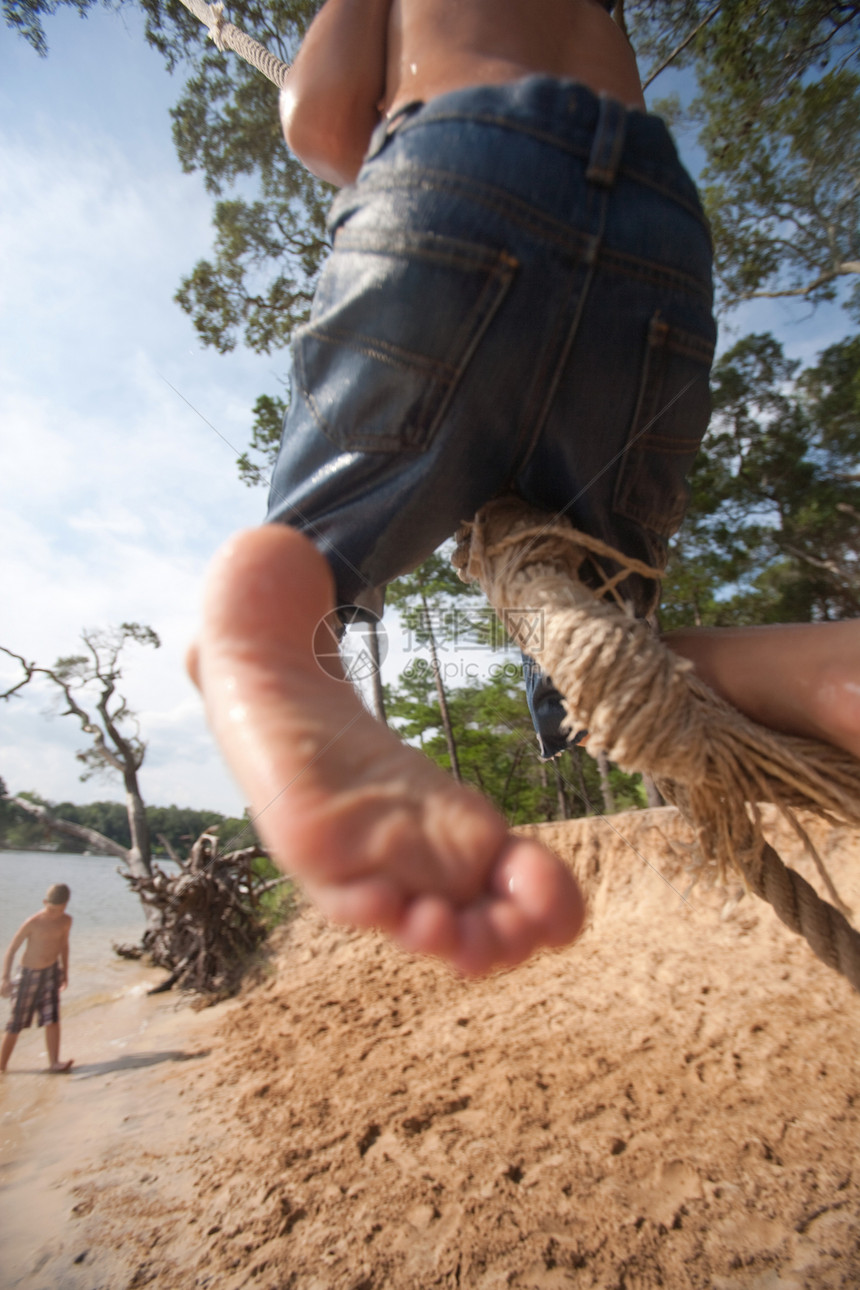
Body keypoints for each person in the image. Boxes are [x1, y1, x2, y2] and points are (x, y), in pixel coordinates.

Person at [189, 0, 860, 978]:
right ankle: (810, 673)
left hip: (460, 162)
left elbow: (318, 120)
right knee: (605, 675)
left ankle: (281, 634)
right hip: (656, 236)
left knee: (310, 560)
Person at [1, 883, 73, 1073]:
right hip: (28, 975)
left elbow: (64, 946)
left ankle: (54, 1062)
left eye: (60, 910)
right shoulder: (33, 922)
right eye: (51, 909)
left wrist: (65, 973)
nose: (55, 914)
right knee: (16, 1022)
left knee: (53, 1018)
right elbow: (11, 949)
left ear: (66, 905)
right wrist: (5, 978)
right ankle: (1, 1066)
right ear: (44, 902)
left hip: (51, 973)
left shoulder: (66, 921)